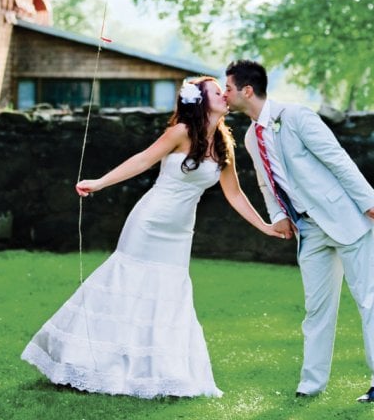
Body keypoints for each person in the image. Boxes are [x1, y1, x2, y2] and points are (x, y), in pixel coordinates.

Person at [21, 76, 288, 399]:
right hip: (148, 223)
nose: (224, 96)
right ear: (202, 102)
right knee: (126, 286)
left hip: (179, 233)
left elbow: (234, 194)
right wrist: (99, 182)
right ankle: (89, 359)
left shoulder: (223, 144)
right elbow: (143, 160)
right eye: (217, 92)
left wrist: (264, 226)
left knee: (168, 296)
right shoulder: (180, 132)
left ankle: (158, 371)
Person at [224, 60, 374, 404]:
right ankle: (311, 384)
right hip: (308, 230)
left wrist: (370, 199)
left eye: (228, 88)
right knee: (316, 309)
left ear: (247, 90)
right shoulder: (249, 137)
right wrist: (278, 215)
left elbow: (337, 159)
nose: (224, 94)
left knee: (370, 298)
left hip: (345, 218)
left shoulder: (297, 117)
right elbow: (265, 182)